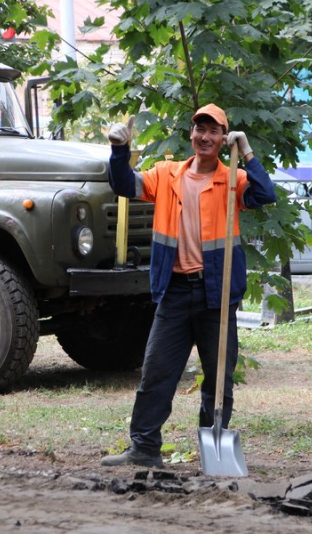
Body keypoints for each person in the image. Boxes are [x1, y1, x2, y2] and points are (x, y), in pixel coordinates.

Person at [100, 104, 277, 467]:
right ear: (191, 135)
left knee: (218, 381)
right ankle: (145, 449)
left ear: (222, 137)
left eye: (214, 131)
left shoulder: (232, 179)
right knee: (157, 374)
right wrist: (119, 151)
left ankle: (213, 455)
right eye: (200, 130)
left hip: (217, 294)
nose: (205, 137)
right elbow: (123, 184)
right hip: (176, 292)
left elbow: (265, 194)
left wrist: (246, 152)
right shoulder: (167, 175)